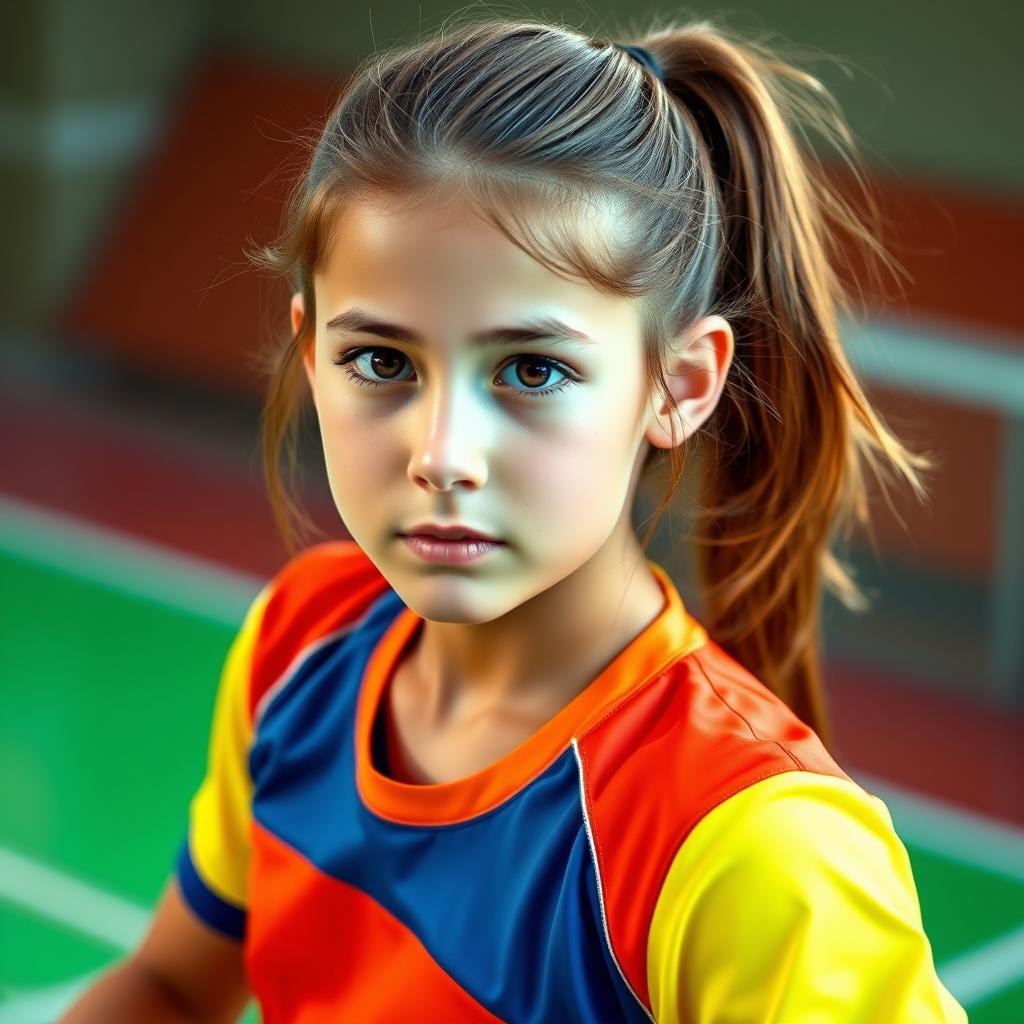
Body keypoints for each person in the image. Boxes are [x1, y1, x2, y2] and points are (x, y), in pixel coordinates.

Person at [61, 14, 971, 1024]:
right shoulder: (299, 643)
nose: (442, 455)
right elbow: (173, 983)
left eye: (531, 370)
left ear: (677, 384)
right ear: (310, 356)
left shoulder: (753, 849)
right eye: (382, 362)